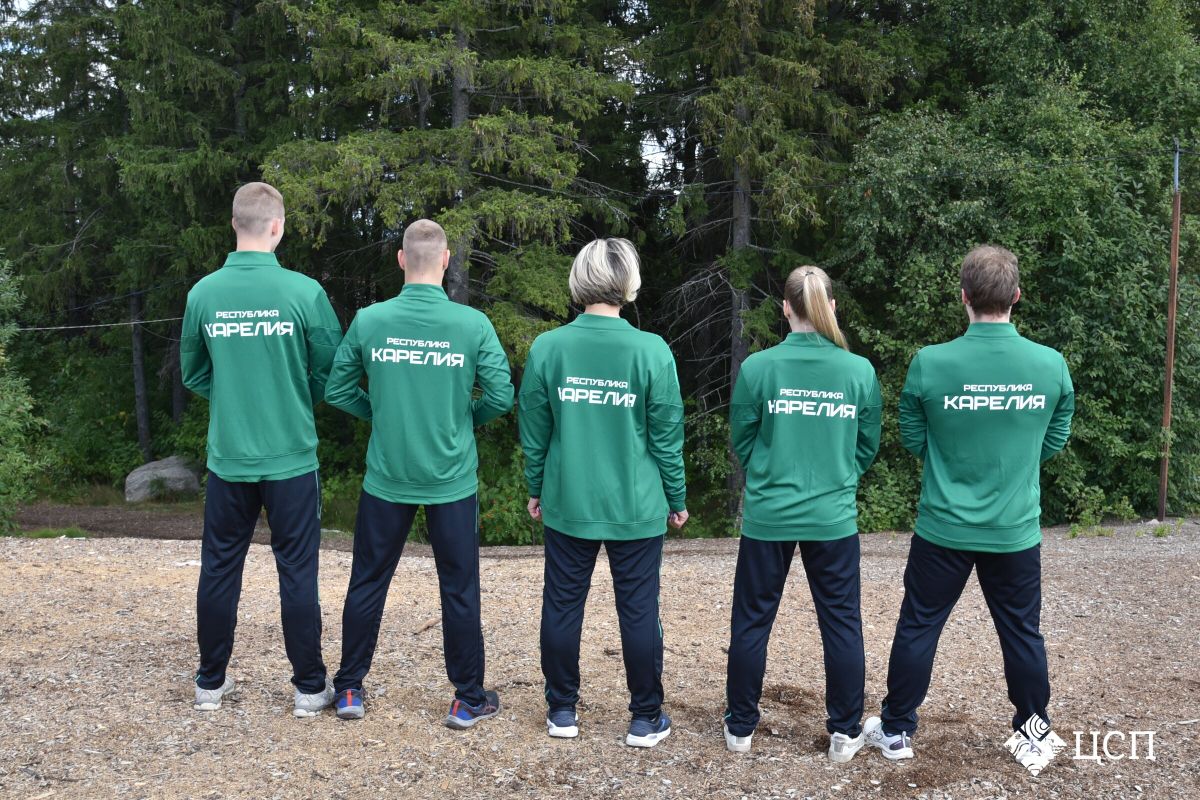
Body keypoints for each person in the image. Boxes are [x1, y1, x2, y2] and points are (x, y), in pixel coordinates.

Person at [864, 245, 1074, 773]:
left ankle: (896, 729)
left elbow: (913, 433)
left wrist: (951, 463)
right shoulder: (1049, 365)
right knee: (1022, 633)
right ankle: (1033, 736)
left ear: (964, 297)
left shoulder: (931, 362)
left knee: (918, 626)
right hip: (1013, 529)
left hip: (943, 527)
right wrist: (1017, 461)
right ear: (1016, 296)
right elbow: (1055, 435)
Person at [324, 219, 514, 728]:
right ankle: (467, 699)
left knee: (367, 581)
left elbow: (337, 389)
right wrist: (463, 420)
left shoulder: (370, 320)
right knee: (459, 588)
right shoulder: (472, 324)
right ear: (447, 261)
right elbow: (501, 396)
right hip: (451, 478)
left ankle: (349, 689)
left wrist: (380, 414)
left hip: (388, 475)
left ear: (402, 260)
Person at [181, 181, 342, 717]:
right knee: (297, 571)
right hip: (291, 455)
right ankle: (309, 689)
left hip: (229, 456)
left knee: (218, 568)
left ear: (234, 224)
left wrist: (235, 394)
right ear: (277, 226)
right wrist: (290, 394)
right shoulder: (304, 292)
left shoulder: (204, 293)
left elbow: (193, 373)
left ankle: (209, 683)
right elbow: (330, 370)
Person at [519, 237, 687, 748]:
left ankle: (562, 711)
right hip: (635, 504)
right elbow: (666, 436)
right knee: (638, 609)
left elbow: (535, 431)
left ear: (579, 279)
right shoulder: (651, 350)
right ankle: (645, 717)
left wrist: (535, 487)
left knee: (562, 605)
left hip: (568, 498)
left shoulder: (549, 347)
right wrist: (676, 497)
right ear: (628, 283)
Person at [722, 266, 881, 762]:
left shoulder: (759, 368)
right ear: (831, 306)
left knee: (752, 621)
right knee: (842, 623)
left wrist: (771, 473)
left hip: (769, 514)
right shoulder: (858, 371)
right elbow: (865, 445)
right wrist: (837, 475)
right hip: (832, 516)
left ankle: (740, 727)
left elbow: (744, 440)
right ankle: (845, 732)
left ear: (786, 308)